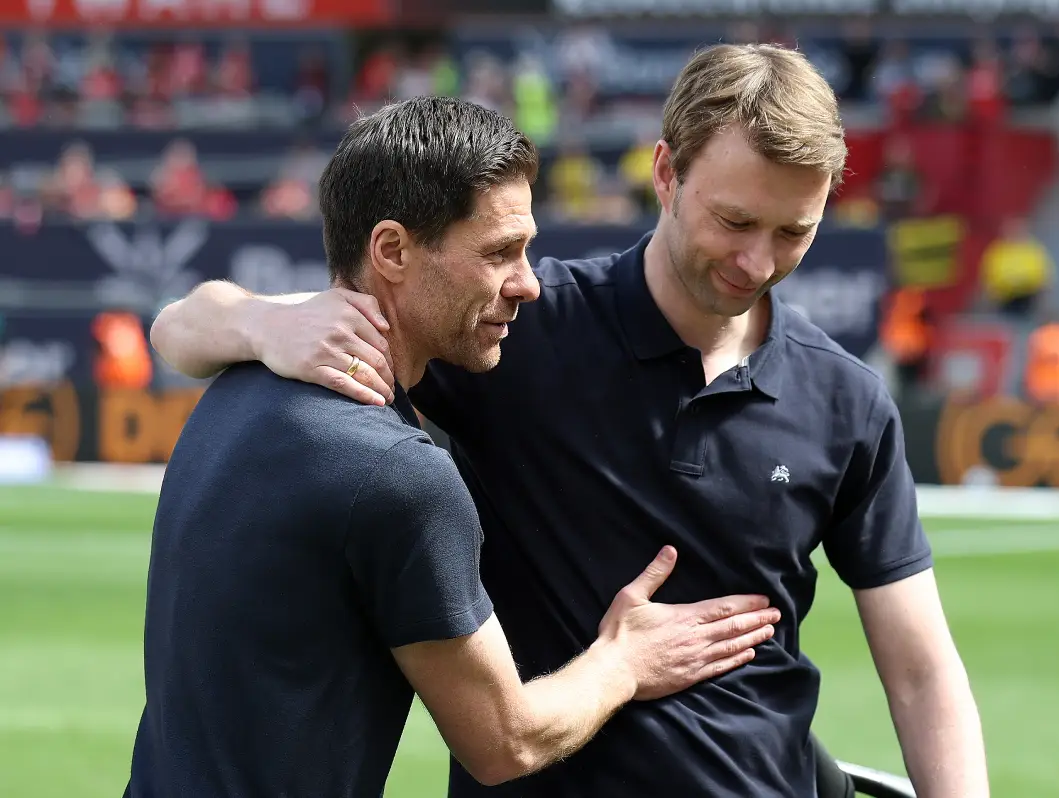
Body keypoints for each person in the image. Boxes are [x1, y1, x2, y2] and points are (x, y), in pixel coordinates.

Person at [152, 44, 989, 797]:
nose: (757, 262)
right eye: (734, 221)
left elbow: (920, 671)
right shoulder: (515, 324)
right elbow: (183, 326)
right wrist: (261, 322)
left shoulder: (847, 400)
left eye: (793, 232)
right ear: (665, 174)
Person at [124, 96, 783, 798]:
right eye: (499, 252)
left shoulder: (238, 379)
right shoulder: (398, 474)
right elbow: (507, 741)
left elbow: (181, 325)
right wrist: (626, 658)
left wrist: (253, 321)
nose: (528, 283)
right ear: (393, 252)